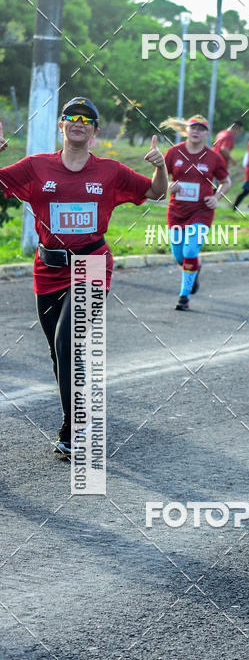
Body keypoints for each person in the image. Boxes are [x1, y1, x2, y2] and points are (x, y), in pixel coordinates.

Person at [0, 96, 167, 456]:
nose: (78, 121)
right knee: (57, 352)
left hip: (91, 264)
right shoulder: (35, 167)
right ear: (61, 125)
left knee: (68, 343)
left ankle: (75, 428)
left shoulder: (110, 171)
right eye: (70, 116)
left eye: (86, 118)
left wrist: (160, 166)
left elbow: (155, 192)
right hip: (48, 269)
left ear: (94, 130)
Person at [160, 115, 231, 311]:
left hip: (202, 211)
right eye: (193, 128)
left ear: (207, 133)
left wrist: (216, 198)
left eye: (201, 129)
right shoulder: (174, 152)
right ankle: (195, 268)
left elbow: (226, 182)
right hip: (176, 212)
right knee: (179, 256)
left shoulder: (213, 157)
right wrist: (168, 185)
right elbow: (159, 177)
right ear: (186, 130)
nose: (196, 131)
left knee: (190, 251)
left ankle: (184, 296)